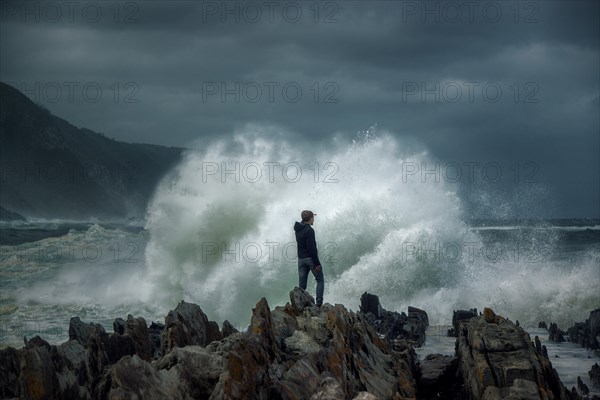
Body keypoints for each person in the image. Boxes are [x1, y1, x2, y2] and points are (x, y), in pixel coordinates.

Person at [294, 210, 324, 306]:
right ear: (310, 219)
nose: (314, 220)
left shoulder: (298, 229)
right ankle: (319, 304)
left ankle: (299, 304)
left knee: (302, 286)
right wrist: (317, 263)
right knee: (320, 280)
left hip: (301, 260)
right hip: (310, 259)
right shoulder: (309, 230)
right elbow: (312, 248)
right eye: (313, 218)